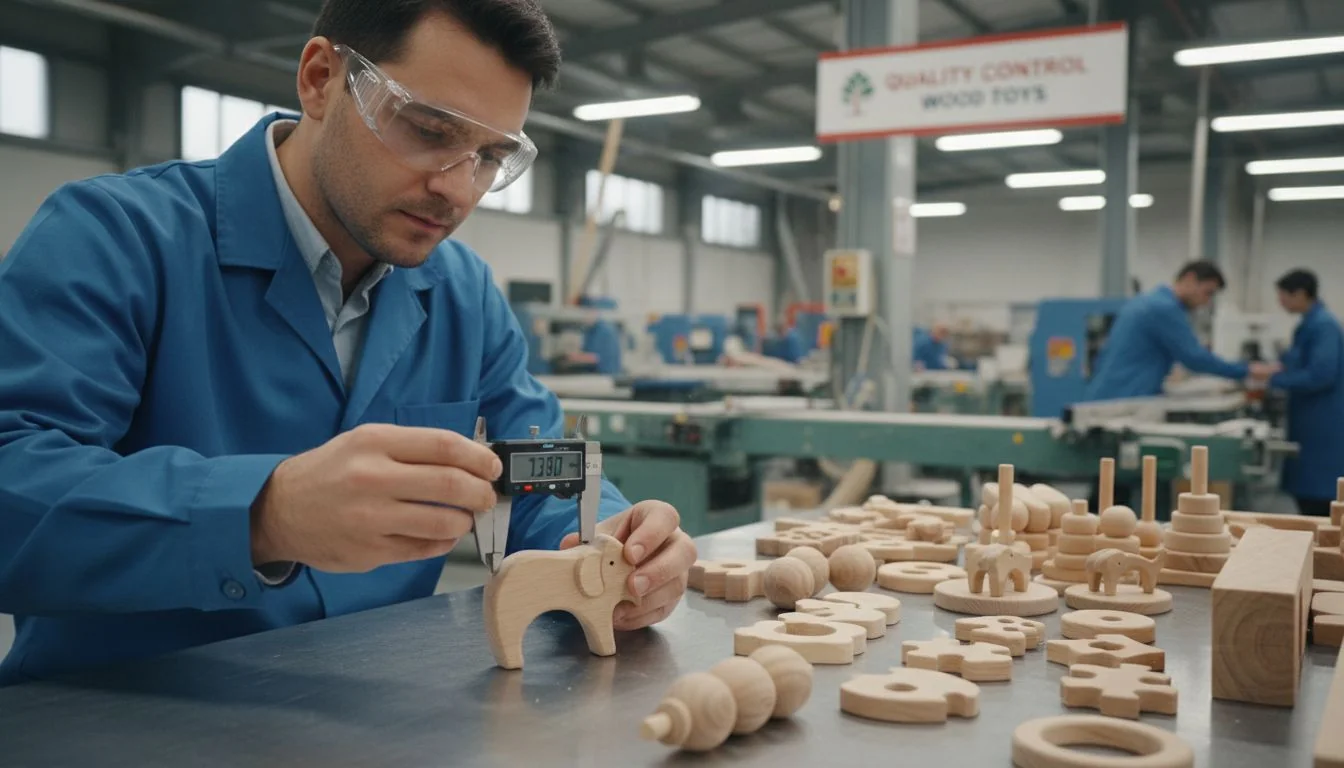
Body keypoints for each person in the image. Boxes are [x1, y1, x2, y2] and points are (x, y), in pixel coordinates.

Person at [0, 0, 696, 685]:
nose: (457, 188)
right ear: (320, 80)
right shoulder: (116, 238)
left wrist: (614, 542)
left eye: (489, 156)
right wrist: (263, 514)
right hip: (112, 721)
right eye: (428, 129)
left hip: (375, 720)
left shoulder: (463, 295)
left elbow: (535, 472)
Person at [1084, 260, 1277, 401]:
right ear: (1190, 279)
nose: (1207, 302)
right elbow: (1194, 358)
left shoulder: (1144, 302)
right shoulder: (1164, 308)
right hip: (1125, 400)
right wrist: (1248, 370)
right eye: (1207, 293)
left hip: (1108, 394)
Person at [1269, 269, 1344, 517]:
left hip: (1321, 424)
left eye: (1283, 296)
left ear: (1300, 294)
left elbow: (1321, 375)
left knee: (1320, 499)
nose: (1281, 302)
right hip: (1308, 419)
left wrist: (1274, 379)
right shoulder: (1309, 325)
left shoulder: (1323, 326)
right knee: (1307, 495)